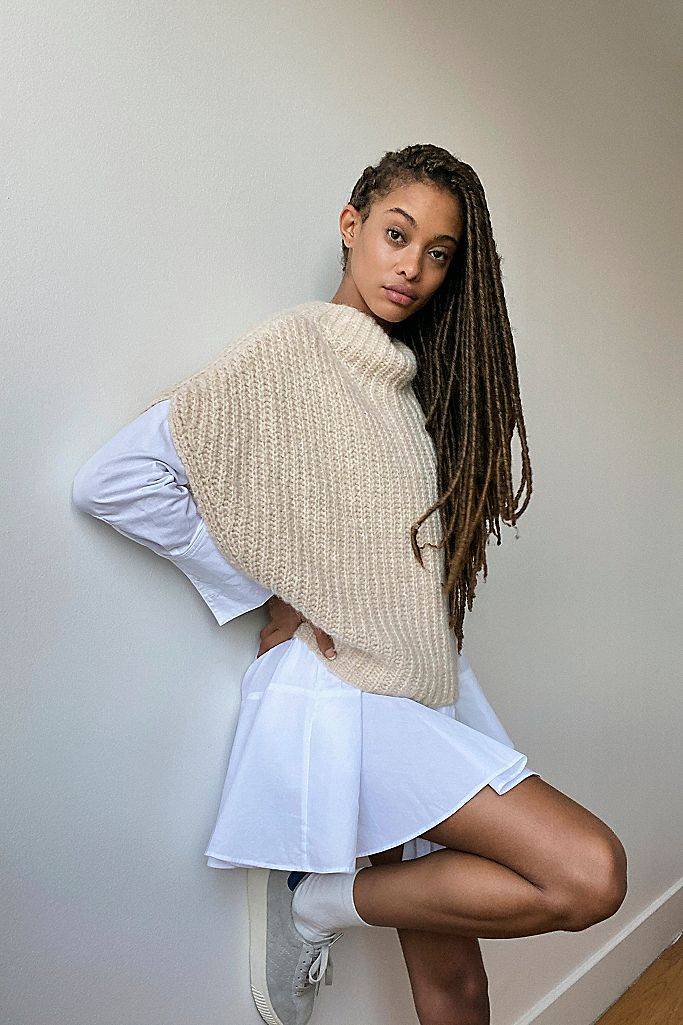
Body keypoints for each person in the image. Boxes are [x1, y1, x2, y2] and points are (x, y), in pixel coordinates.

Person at [72, 143, 627, 1025]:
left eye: (437, 253)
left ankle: (324, 903)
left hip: (420, 685)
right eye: (396, 235)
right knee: (587, 873)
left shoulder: (406, 387)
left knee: (457, 987)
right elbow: (114, 481)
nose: (411, 267)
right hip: (345, 694)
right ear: (350, 225)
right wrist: (272, 590)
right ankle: (319, 903)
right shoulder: (291, 347)